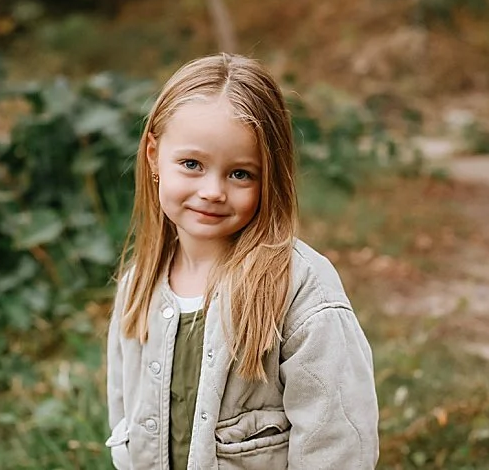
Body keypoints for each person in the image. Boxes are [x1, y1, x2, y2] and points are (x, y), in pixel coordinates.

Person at [106, 52, 377, 470]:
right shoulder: (138, 286)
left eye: (240, 174)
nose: (213, 191)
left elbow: (335, 440)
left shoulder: (300, 290)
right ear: (153, 157)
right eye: (192, 164)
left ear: (269, 176)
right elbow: (125, 411)